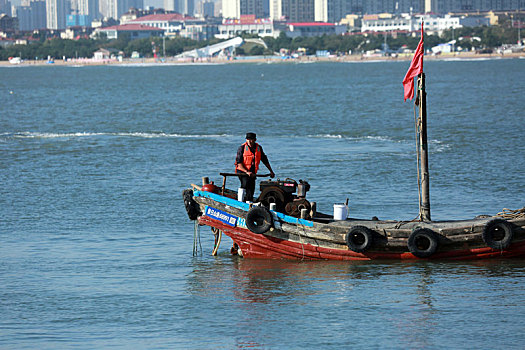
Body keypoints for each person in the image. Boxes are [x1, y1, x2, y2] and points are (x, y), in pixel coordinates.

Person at [235, 132, 275, 201]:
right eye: (248, 139)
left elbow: (265, 160)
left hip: (252, 172)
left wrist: (271, 171)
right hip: (242, 171)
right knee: (245, 184)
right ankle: (240, 202)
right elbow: (239, 163)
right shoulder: (242, 148)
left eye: (251, 139)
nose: (249, 141)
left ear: (255, 140)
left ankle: (249, 202)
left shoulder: (259, 148)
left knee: (251, 188)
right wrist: (246, 172)